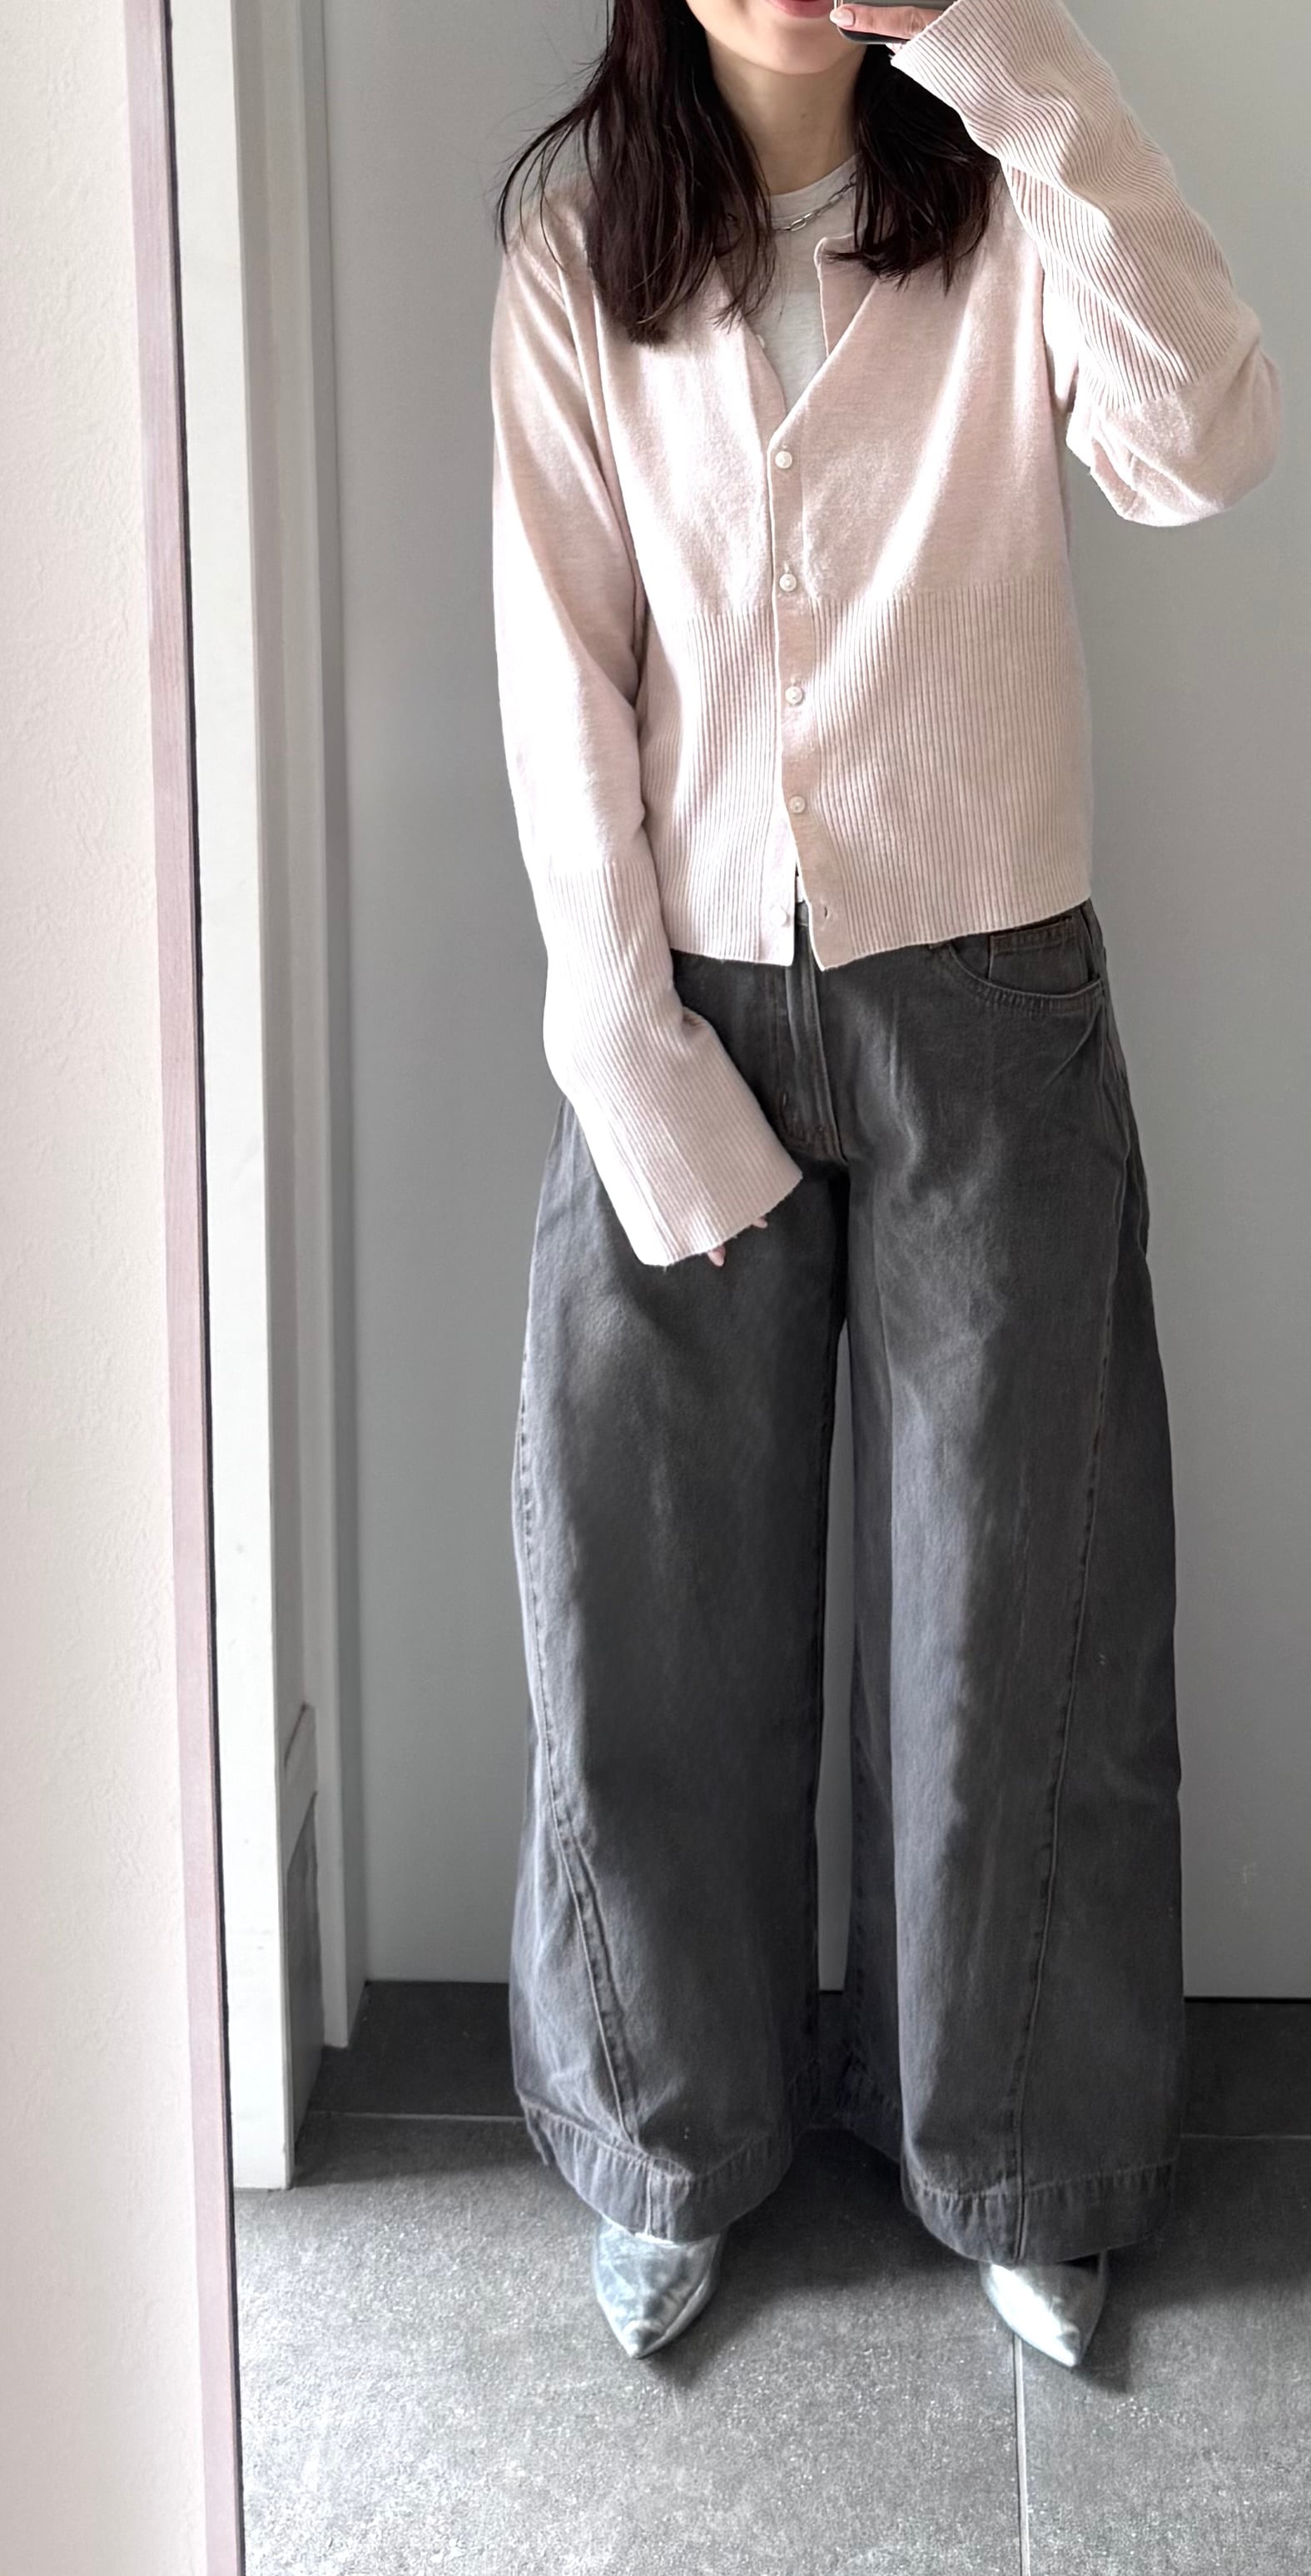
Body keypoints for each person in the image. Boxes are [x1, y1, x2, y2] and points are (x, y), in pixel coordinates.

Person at [488, 0, 1280, 2370]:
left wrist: (1013, 58)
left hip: (988, 998)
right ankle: (669, 2135)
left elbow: (1209, 444)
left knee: (1019, 1607)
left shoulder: (1008, 200)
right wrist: (623, 1033)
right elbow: (563, 670)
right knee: (648, 1587)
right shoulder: (577, 249)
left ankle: (1024, 2147)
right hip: (682, 992)